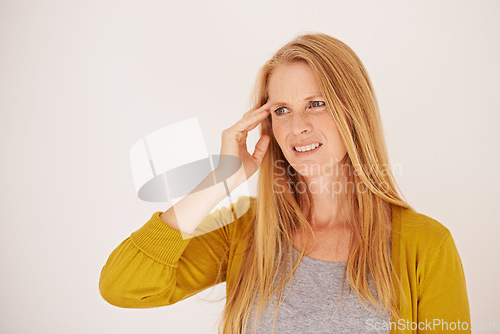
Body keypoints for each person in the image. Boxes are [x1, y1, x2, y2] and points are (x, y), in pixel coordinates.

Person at [99, 33, 471, 334]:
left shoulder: (427, 245)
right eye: (281, 111)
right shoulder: (245, 231)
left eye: (317, 103)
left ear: (353, 111)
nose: (297, 126)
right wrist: (220, 179)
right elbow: (122, 286)